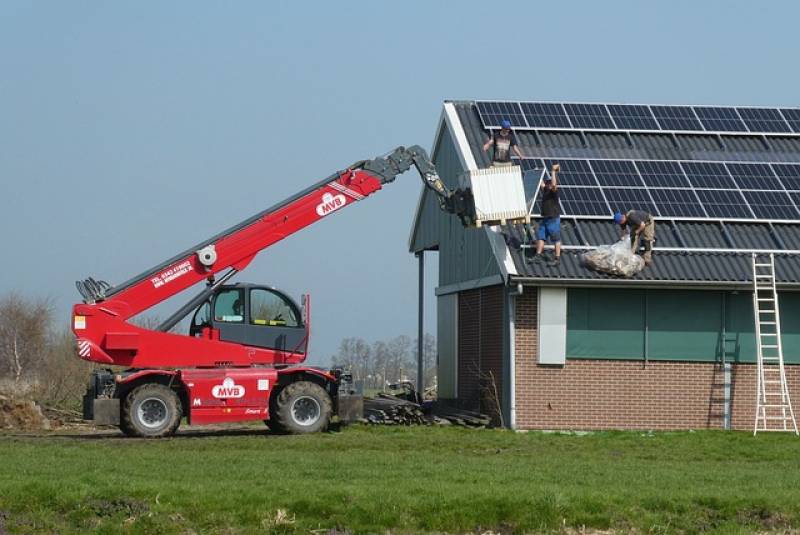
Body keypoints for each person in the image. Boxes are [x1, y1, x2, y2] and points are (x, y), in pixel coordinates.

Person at [534, 163, 561, 266]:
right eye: (547, 183)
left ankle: (557, 258)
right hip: (545, 219)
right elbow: (541, 183)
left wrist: (553, 172)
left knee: (556, 238)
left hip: (553, 219)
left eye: (549, 184)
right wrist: (537, 173)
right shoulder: (546, 190)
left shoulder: (554, 192)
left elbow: (554, 185)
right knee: (541, 236)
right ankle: (538, 255)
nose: (548, 185)